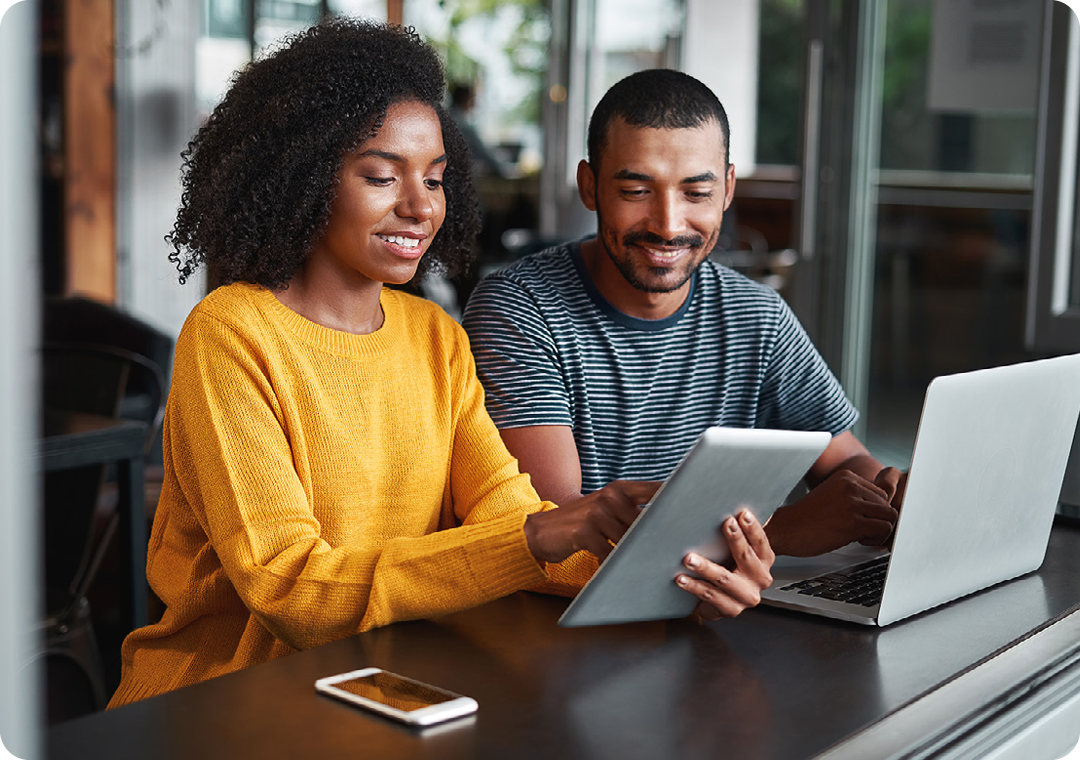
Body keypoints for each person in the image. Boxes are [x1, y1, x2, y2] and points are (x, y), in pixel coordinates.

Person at [108, 23, 774, 708]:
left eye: (434, 178)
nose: (420, 207)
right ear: (301, 176)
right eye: (380, 176)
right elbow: (292, 591)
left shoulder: (435, 337)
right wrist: (540, 533)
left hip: (382, 689)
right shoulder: (231, 334)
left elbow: (507, 521)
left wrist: (684, 578)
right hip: (222, 706)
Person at [463, 69, 904, 559]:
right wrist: (776, 534)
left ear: (728, 189)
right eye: (635, 191)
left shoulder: (755, 315)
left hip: (722, 610)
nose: (669, 225)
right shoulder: (519, 307)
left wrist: (888, 493)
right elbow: (556, 529)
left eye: (697, 193)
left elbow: (845, 459)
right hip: (565, 622)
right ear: (589, 186)